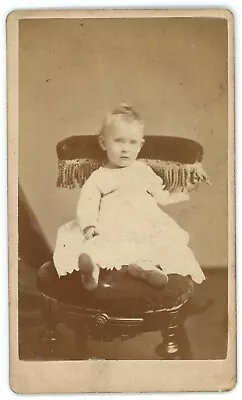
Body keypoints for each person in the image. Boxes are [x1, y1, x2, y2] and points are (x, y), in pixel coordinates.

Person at [53, 104, 205, 290]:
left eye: (132, 142)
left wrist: (189, 186)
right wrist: (89, 225)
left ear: (140, 145)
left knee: (154, 246)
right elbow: (87, 203)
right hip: (112, 223)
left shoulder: (144, 171)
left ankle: (145, 270)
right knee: (98, 246)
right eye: (119, 141)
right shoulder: (100, 176)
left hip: (143, 222)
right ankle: (91, 273)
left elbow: (162, 195)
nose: (125, 149)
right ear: (103, 143)